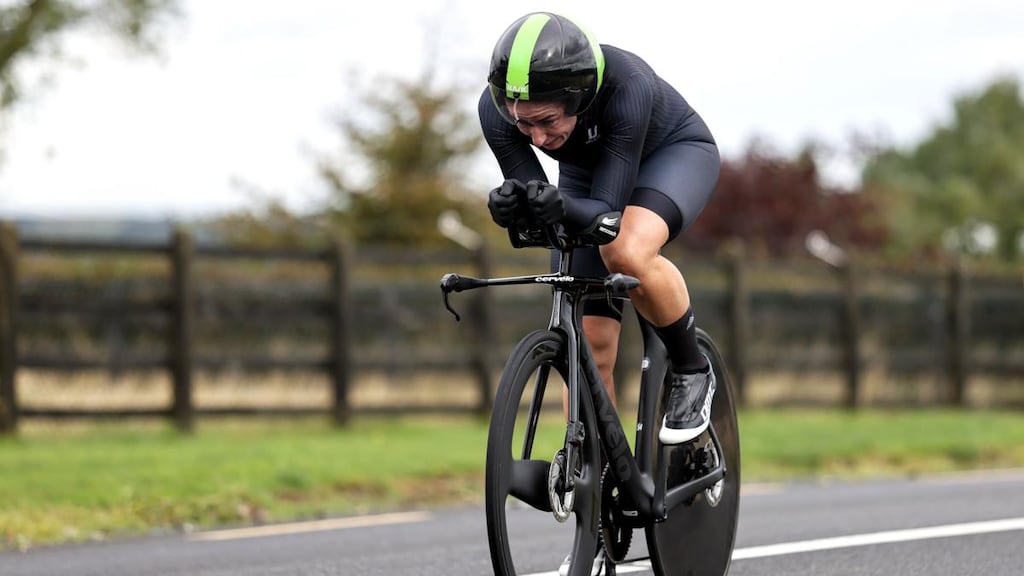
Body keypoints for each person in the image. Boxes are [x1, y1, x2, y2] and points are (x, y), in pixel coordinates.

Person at [479, 11, 720, 575]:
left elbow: (607, 220)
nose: (535, 138)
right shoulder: (499, 111)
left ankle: (691, 368)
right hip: (589, 176)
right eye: (523, 126)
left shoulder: (627, 86)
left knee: (627, 252)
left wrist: (561, 207)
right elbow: (543, 204)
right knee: (590, 342)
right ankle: (596, 501)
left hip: (670, 155)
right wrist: (515, 208)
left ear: (578, 94)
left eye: (544, 122)